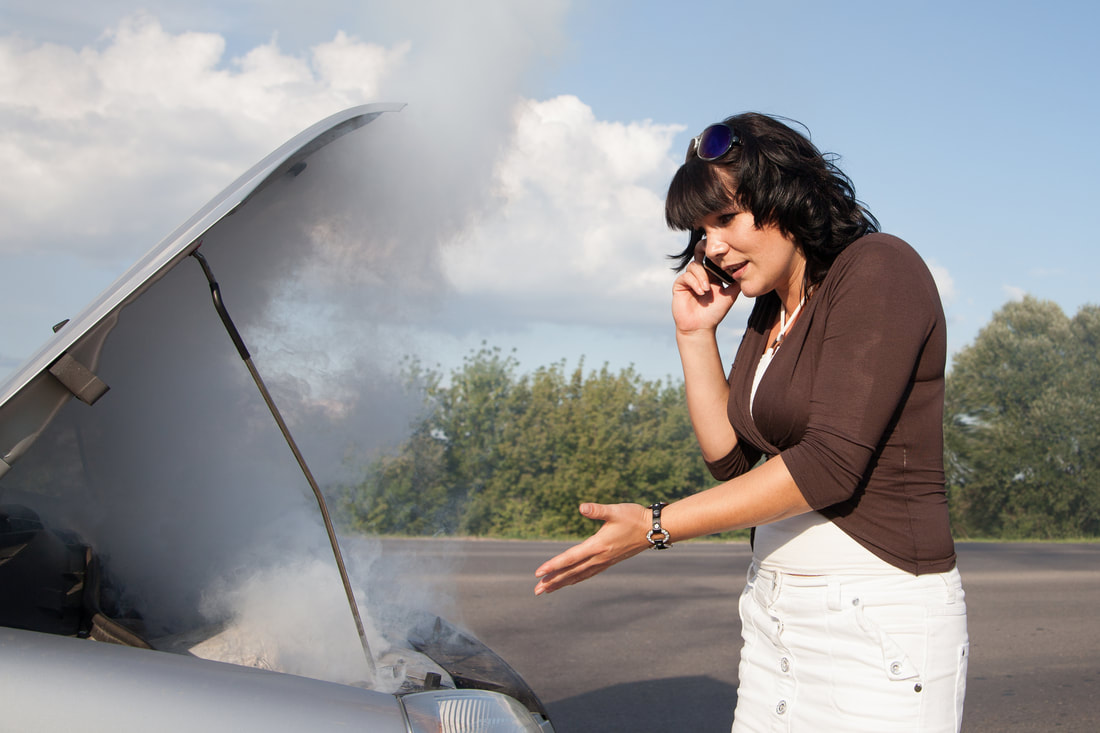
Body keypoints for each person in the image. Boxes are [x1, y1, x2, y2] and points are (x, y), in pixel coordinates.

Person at [534, 112, 968, 732]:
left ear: (786, 195)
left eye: (726, 219)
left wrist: (657, 527)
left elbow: (828, 464)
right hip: (774, 617)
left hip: (876, 622)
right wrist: (694, 334)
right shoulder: (772, 309)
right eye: (701, 231)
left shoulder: (879, 268)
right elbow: (733, 459)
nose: (711, 247)